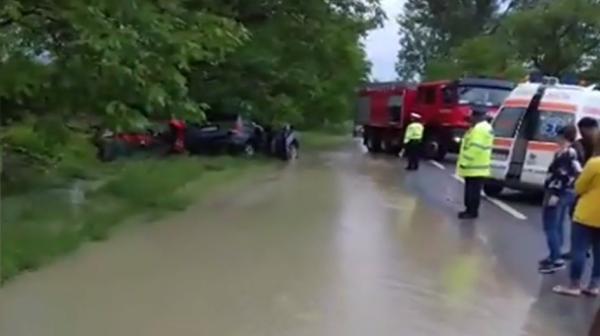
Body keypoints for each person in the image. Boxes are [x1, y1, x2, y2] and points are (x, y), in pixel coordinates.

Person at [553, 133, 600, 297]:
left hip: (586, 214)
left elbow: (579, 187)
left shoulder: (594, 164)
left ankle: (574, 285)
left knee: (579, 250)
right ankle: (594, 285)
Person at [538, 125, 581, 274]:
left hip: (557, 192)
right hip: (564, 192)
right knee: (557, 224)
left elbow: (563, 176)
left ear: (563, 137)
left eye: (558, 136)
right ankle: (554, 254)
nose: (556, 139)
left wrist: (555, 194)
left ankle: (556, 259)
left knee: (550, 226)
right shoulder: (568, 153)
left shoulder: (567, 154)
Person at [456, 107, 494, 220]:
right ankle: (471, 211)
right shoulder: (485, 127)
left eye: (472, 117)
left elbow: (475, 147)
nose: (470, 119)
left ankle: (470, 211)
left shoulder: (479, 129)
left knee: (472, 191)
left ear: (477, 116)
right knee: (474, 190)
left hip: (474, 166)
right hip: (479, 166)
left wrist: (464, 162)